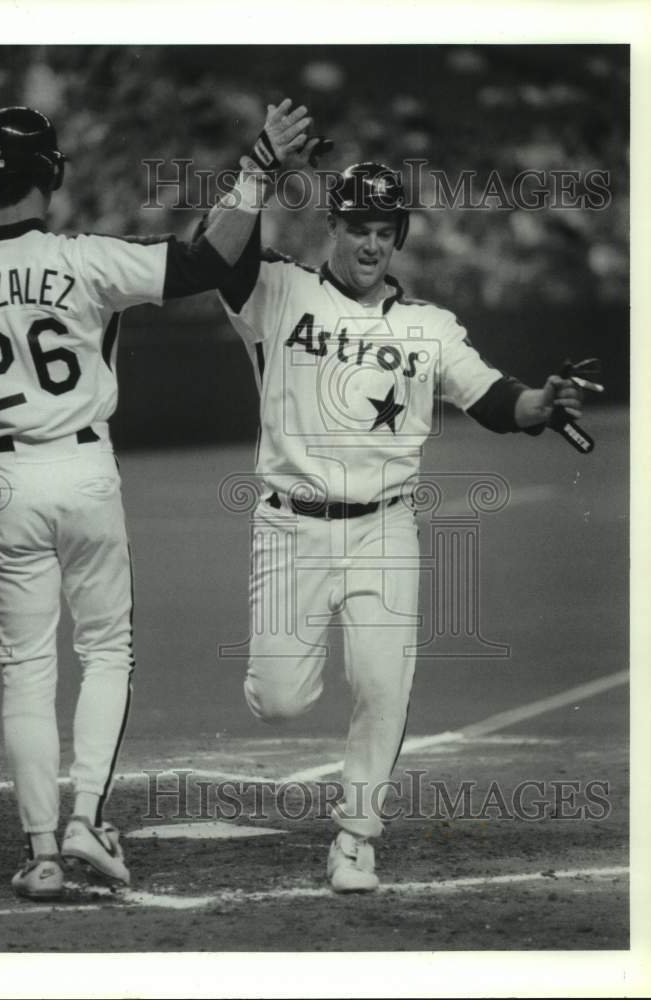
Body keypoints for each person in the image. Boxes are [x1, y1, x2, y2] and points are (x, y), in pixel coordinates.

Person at [0, 101, 313, 899]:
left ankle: (43, 851)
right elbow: (203, 265)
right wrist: (257, 168)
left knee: (24, 670)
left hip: (1, 479)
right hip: (83, 468)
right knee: (105, 654)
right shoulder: (82, 257)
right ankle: (87, 817)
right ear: (50, 173)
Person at [211, 160, 595, 892]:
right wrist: (257, 171)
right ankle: (293, 705)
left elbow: (492, 397)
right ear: (333, 226)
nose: (370, 243)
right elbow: (218, 250)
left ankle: (356, 837)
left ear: (398, 239)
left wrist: (537, 407)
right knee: (280, 700)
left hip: (384, 530)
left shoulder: (428, 327)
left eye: (383, 231)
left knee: (382, 684)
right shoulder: (279, 289)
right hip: (290, 528)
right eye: (357, 226)